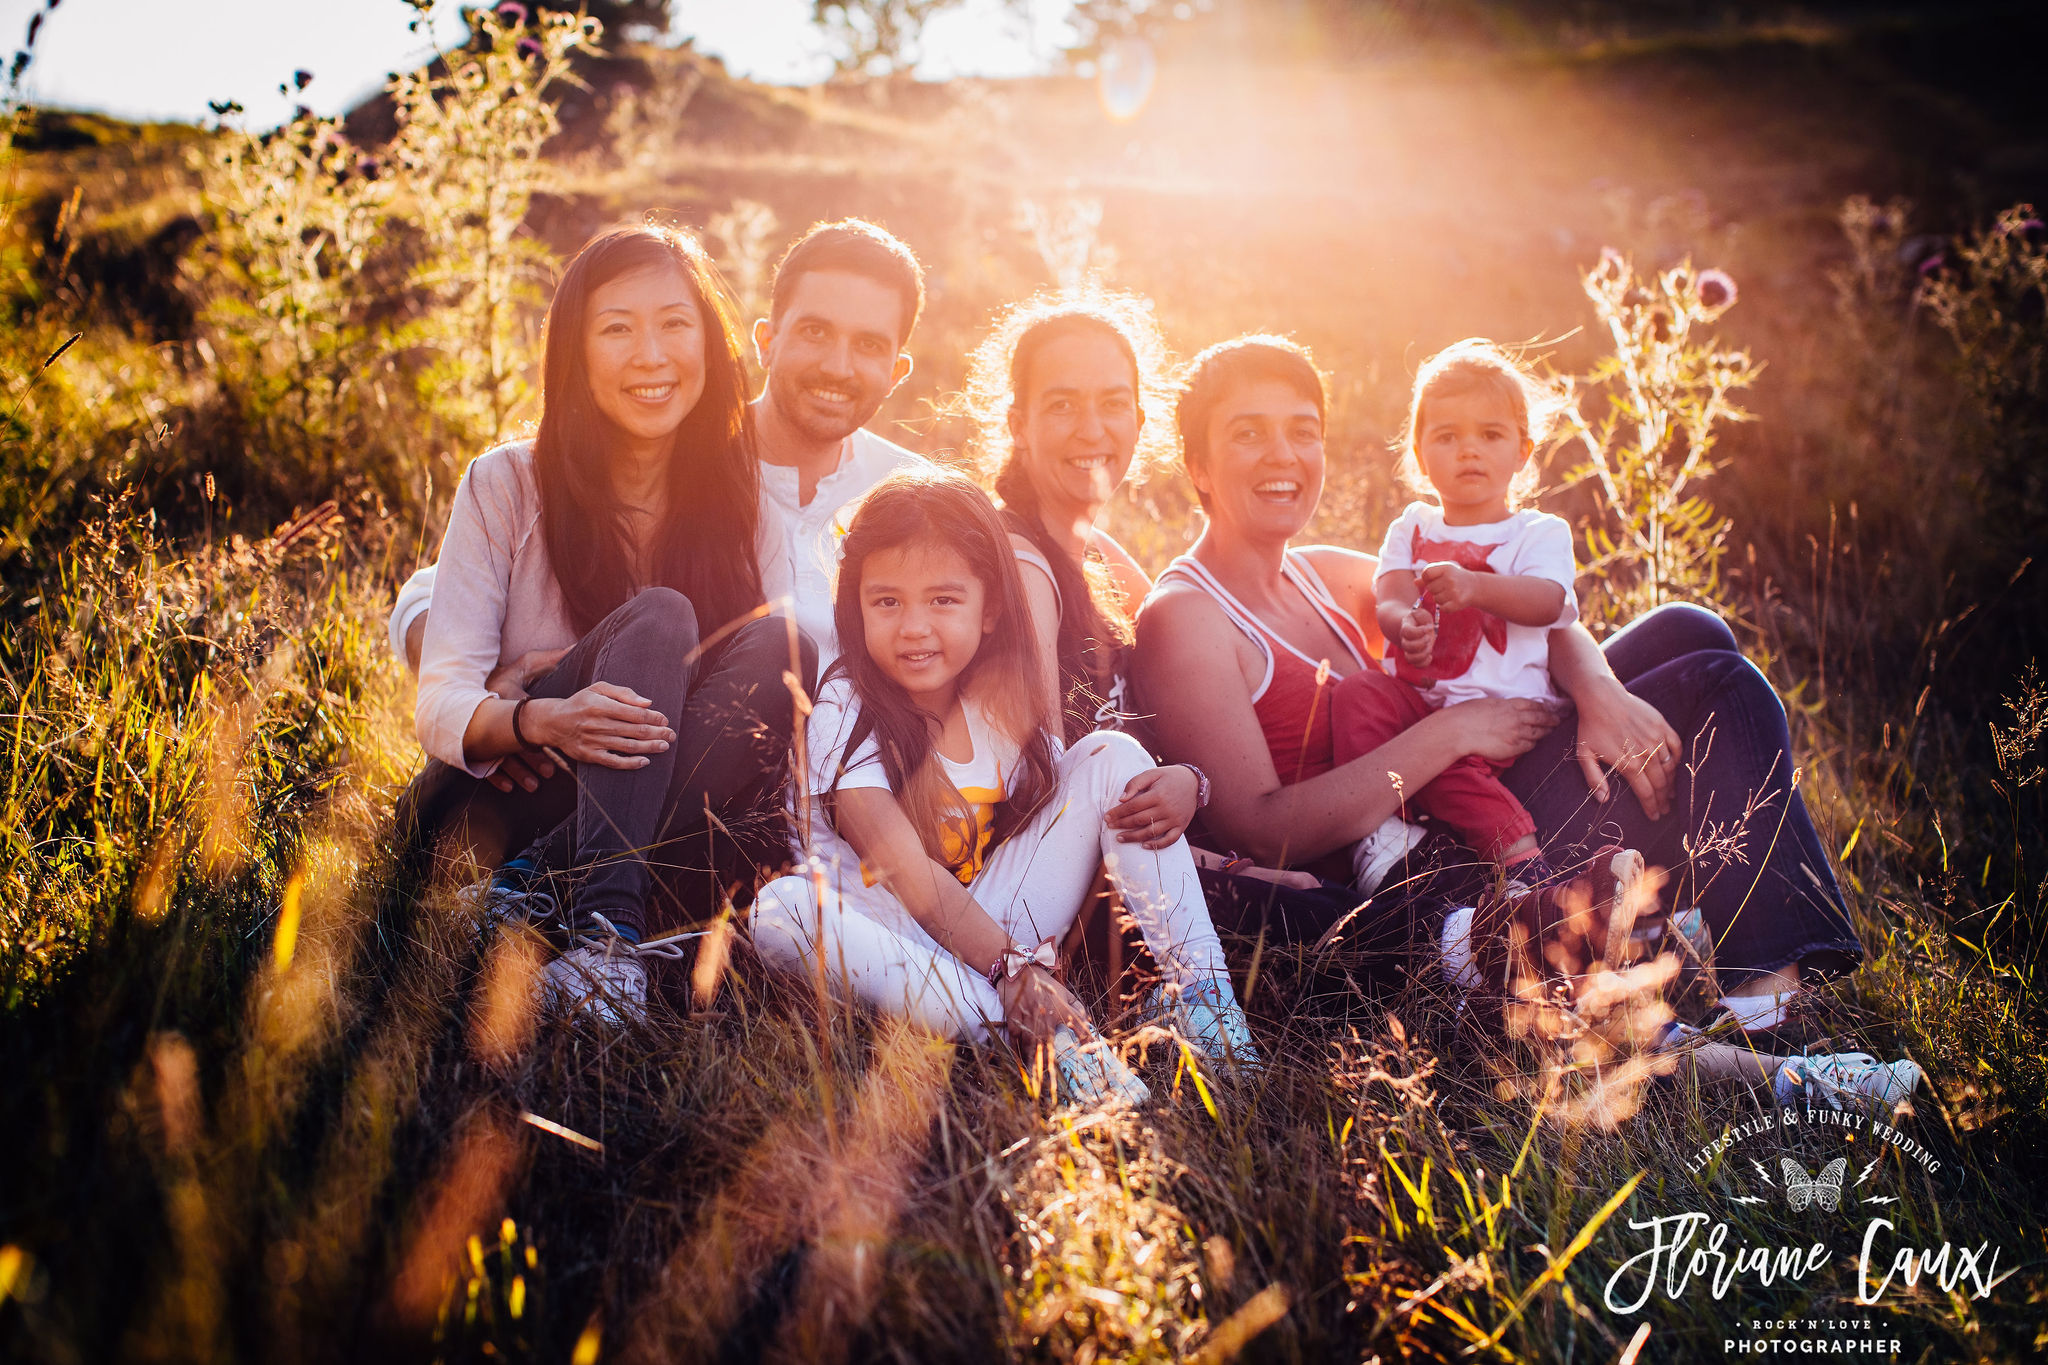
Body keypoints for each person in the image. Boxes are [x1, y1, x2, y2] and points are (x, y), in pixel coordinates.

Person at [1131, 334, 1921, 1114]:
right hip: (1432, 865)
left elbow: (1548, 624)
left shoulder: (1317, 573)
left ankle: (1736, 955)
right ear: (1196, 465)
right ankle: (1766, 994)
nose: (1284, 453)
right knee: (1715, 683)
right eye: (1248, 432)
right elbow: (1261, 829)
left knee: (1690, 629)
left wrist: (1598, 691)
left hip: (1472, 782)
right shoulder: (1188, 615)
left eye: (1302, 428)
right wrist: (1457, 731)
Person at [401, 223, 810, 1024]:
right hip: (492, 809)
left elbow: (790, 679)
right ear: (576, 354)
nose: (651, 355)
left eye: (674, 323)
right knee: (661, 619)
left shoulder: (747, 495)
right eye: (617, 328)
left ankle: (533, 896)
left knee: (784, 640)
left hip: (633, 810)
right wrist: (537, 719)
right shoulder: (506, 481)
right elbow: (439, 696)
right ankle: (603, 937)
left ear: (709, 340)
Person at [748, 470, 1259, 1105]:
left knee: (1113, 754)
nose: (913, 627)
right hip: (886, 947)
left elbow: (1086, 807)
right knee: (781, 912)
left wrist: (1190, 783)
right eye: (887, 601)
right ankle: (1037, 1042)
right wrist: (1015, 971)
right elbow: (906, 871)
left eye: (943, 600)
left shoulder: (997, 705)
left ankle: (1215, 1019)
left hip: (992, 931)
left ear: (990, 609)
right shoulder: (844, 702)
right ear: (855, 606)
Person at [389, 218, 931, 797]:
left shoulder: (911, 499)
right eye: (816, 332)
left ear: (898, 369)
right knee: (670, 624)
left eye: (868, 344)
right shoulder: (663, 453)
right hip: (563, 785)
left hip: (777, 800)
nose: (838, 367)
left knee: (774, 646)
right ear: (765, 340)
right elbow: (433, 596)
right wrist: (506, 712)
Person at [1343, 338, 1595, 888]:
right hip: (1420, 710)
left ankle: (1521, 858)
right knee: (1357, 695)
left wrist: (1476, 587)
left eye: (1490, 434)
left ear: (1523, 453)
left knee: (1450, 769)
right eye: (1447, 436)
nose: (1468, 450)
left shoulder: (1536, 533)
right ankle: (1389, 828)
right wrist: (1402, 623)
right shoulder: (1413, 527)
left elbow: (1549, 603)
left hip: (1508, 719)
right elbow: (1387, 593)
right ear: (1419, 450)